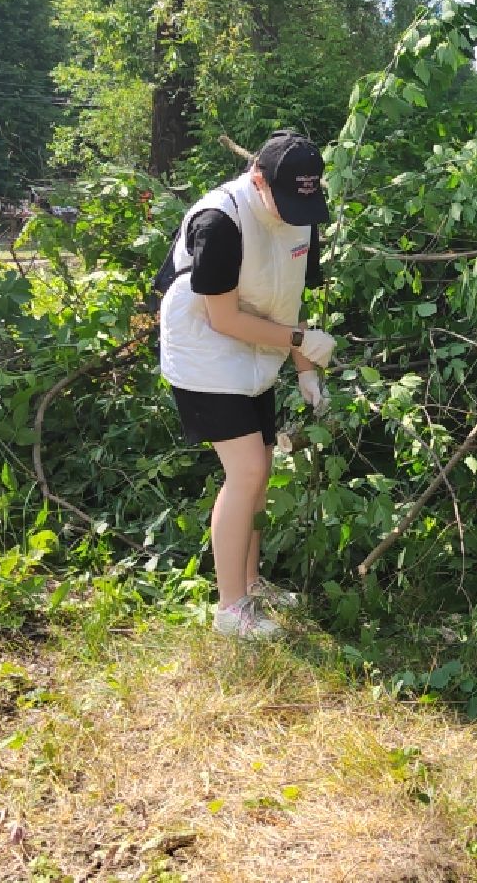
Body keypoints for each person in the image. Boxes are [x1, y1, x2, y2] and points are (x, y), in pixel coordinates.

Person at [158, 130, 339, 639]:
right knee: (247, 470)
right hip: (204, 352)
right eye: (280, 200)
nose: (290, 214)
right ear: (256, 178)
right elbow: (222, 319)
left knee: (261, 468)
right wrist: (300, 339)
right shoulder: (220, 221)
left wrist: (305, 369)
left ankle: (251, 582)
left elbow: (293, 299)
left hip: (259, 352)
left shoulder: (302, 215)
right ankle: (230, 608)